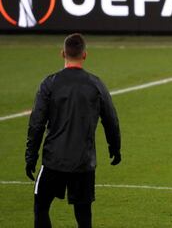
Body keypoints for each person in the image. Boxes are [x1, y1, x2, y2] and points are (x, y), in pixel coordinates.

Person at [25, 33, 121, 228]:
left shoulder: (49, 83)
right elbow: (110, 118)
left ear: (62, 54)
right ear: (84, 55)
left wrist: (31, 155)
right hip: (83, 162)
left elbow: (36, 123)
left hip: (54, 160)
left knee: (41, 207)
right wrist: (115, 147)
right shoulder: (96, 84)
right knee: (83, 214)